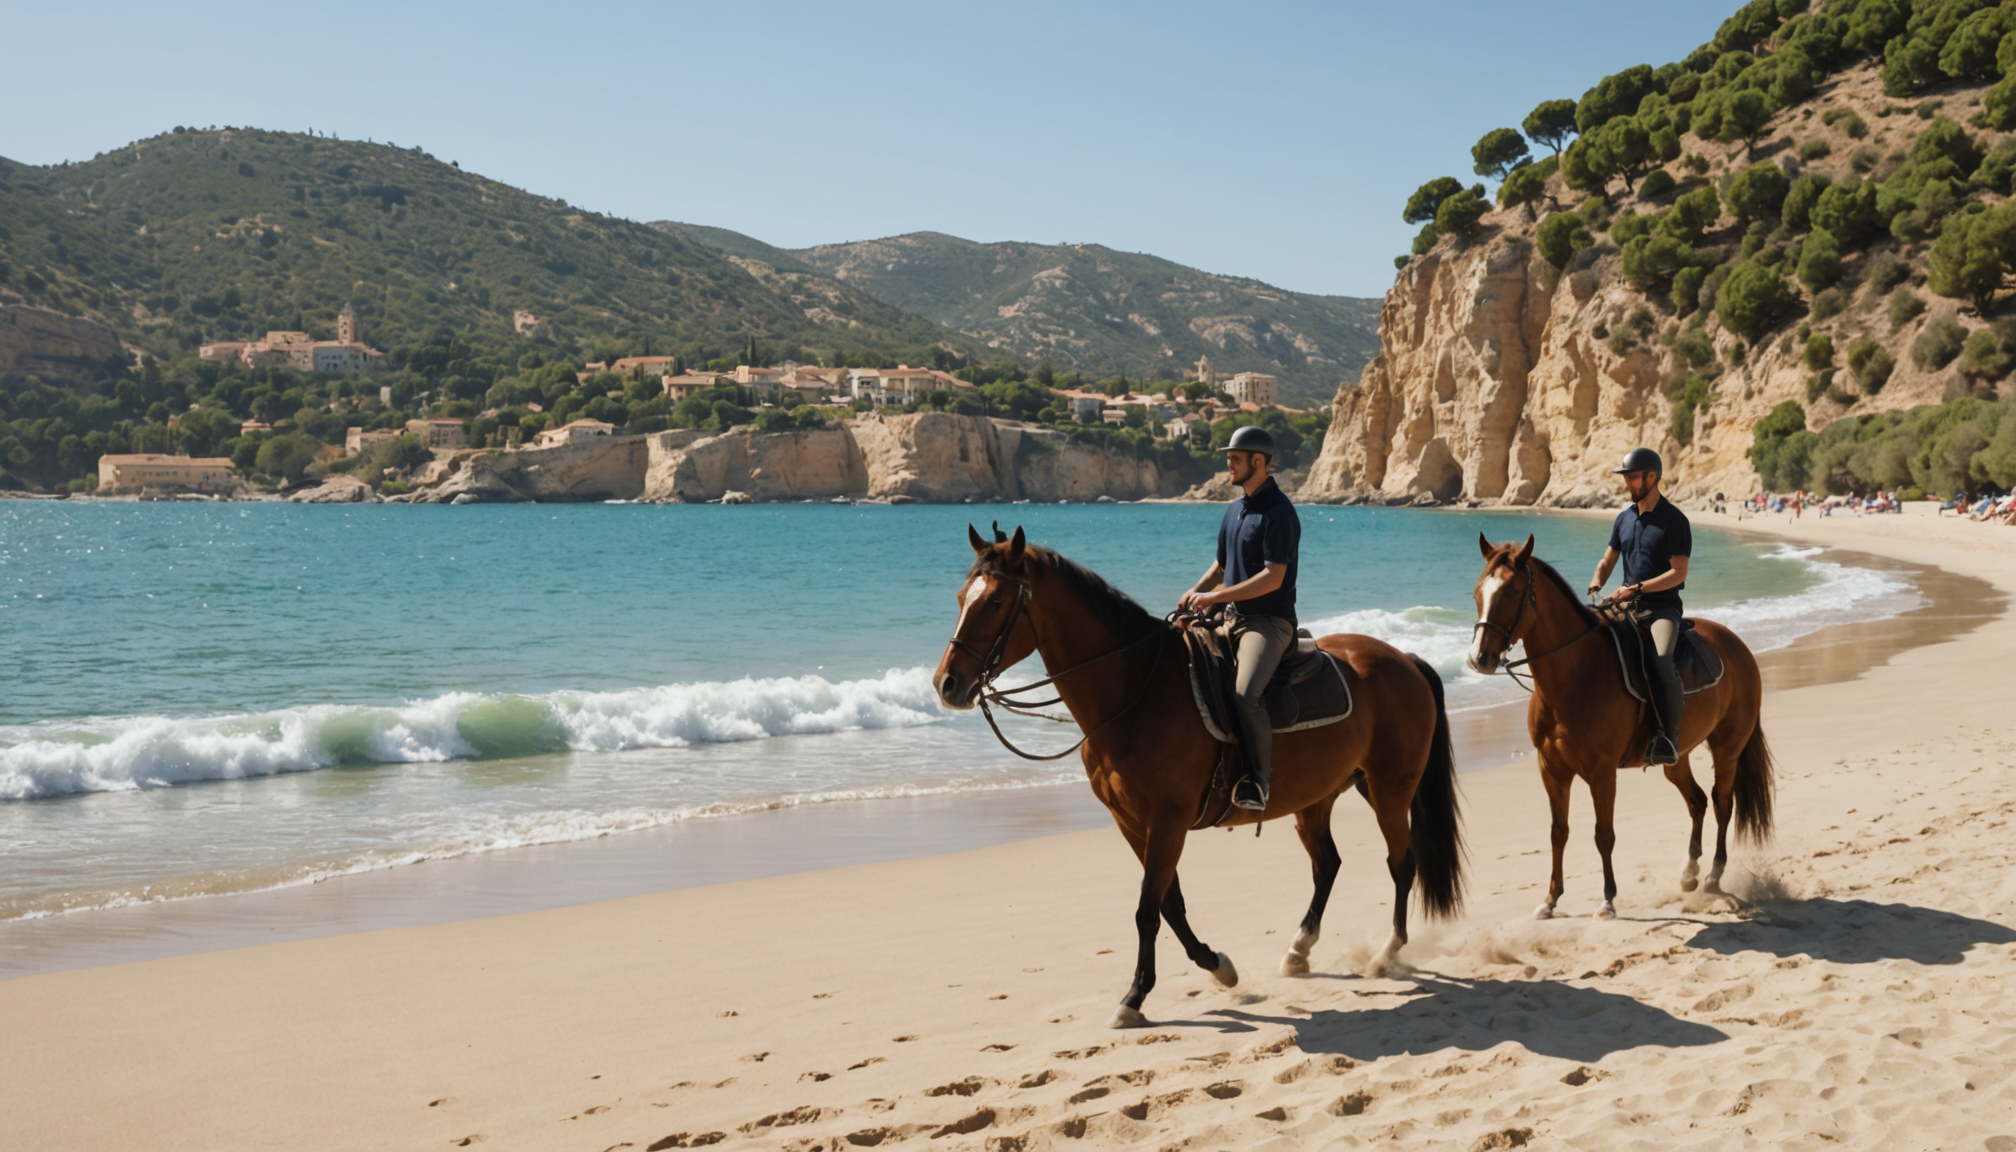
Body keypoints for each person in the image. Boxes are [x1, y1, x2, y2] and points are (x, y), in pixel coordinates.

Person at [1179, 426, 1301, 811]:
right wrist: (1192, 594)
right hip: (1228, 616)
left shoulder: (1279, 513)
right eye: (1228, 457)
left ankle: (1259, 782)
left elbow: (1273, 576)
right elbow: (1221, 564)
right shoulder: (1235, 509)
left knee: (1246, 694)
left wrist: (1215, 597)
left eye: (1234, 458)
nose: (1228, 464)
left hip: (1268, 623)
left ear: (1258, 462)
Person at [1586, 447, 1692, 766]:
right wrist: (1596, 581)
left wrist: (1635, 588)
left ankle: (1669, 737)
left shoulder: (1674, 521)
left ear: (1652, 477)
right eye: (1626, 478)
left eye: (1632, 477)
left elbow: (1679, 573)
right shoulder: (1623, 519)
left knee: (1659, 660)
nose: (1627, 484)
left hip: (1662, 609)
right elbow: (1608, 559)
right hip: (1625, 606)